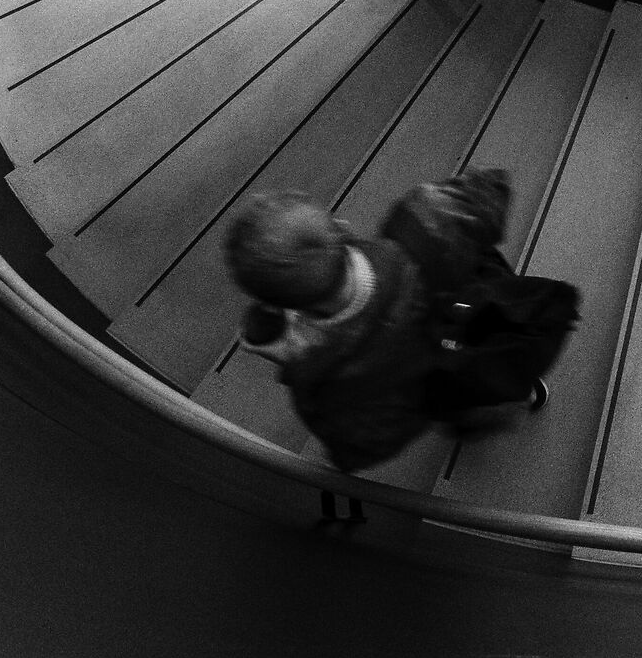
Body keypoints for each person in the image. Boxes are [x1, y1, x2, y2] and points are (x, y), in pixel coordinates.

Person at [223, 170, 578, 473]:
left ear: (278, 303)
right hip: (466, 312)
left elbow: (360, 436)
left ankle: (477, 417)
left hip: (437, 382)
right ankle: (520, 388)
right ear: (342, 229)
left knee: (463, 399)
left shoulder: (328, 370)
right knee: (491, 341)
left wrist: (289, 358)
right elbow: (485, 195)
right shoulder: (423, 222)